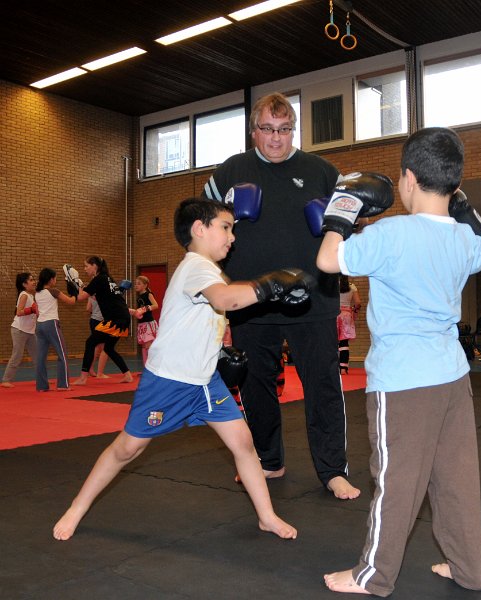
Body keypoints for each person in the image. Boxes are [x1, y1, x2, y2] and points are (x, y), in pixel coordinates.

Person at [52, 197, 312, 542]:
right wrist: (270, 285)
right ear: (199, 229)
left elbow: (211, 313)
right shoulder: (196, 266)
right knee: (127, 449)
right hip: (169, 380)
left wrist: (219, 349)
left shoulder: (211, 271)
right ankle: (77, 507)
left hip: (206, 382)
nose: (232, 236)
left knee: (243, 443)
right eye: (225, 227)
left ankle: (267, 516)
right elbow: (226, 300)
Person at [316, 127, 481, 596]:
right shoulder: (464, 239)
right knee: (456, 480)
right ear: (455, 184)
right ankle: (470, 569)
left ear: (408, 179)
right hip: (453, 376)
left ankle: (372, 576)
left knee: (395, 482)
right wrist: (465, 211)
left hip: (403, 381)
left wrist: (342, 208)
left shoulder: (391, 233)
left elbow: (328, 261)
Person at [203, 92, 359, 499]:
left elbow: (351, 227)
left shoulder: (323, 172)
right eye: (268, 129)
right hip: (251, 299)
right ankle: (269, 460)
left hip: (314, 298)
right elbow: (200, 228)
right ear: (253, 130)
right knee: (255, 385)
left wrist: (344, 221)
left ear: (294, 130)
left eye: (285, 129)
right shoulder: (230, 171)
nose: (276, 138)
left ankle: (333, 470)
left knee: (323, 385)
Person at [68, 257, 133, 385]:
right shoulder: (107, 278)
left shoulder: (99, 279)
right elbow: (102, 297)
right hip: (122, 317)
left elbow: (80, 297)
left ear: (94, 266)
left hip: (116, 319)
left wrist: (73, 284)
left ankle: (83, 378)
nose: (85, 269)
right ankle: (128, 375)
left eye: (86, 266)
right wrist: (78, 286)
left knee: (90, 342)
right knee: (108, 348)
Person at [35, 268, 76, 391]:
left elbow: (38, 312)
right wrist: (75, 291)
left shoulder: (37, 293)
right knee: (62, 354)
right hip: (51, 324)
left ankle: (42, 386)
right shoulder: (53, 291)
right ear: (51, 279)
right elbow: (71, 302)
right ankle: (63, 385)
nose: (56, 280)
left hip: (40, 325)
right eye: (55, 278)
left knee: (41, 357)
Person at [1, 272, 38, 388]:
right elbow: (18, 312)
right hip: (19, 330)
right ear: (24, 284)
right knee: (17, 355)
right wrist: (31, 310)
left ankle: (42, 377)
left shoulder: (30, 296)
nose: (34, 282)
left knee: (38, 355)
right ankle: (6, 380)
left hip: (30, 331)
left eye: (33, 279)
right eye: (31, 280)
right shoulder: (24, 295)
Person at [130, 275, 159, 365]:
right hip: (142, 324)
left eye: (139, 284)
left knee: (148, 345)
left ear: (145, 285)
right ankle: (146, 366)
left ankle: (152, 366)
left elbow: (156, 305)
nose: (136, 285)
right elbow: (140, 311)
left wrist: (145, 308)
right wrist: (135, 312)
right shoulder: (139, 296)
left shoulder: (148, 294)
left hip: (148, 323)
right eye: (135, 284)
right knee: (144, 345)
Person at [337, 275, 361, 374]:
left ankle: (333, 367)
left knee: (332, 342)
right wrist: (354, 310)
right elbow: (358, 302)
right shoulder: (352, 286)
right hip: (346, 315)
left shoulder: (333, 286)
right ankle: (343, 368)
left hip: (334, 315)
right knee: (344, 343)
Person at [86, 295, 109, 378]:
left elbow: (88, 308)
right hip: (101, 321)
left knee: (97, 346)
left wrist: (95, 312)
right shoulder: (105, 294)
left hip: (93, 321)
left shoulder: (91, 294)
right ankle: (100, 373)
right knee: (105, 348)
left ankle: (90, 369)